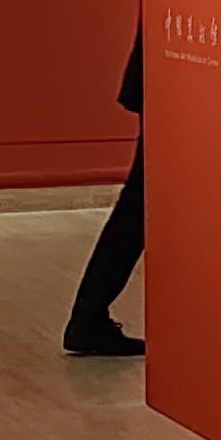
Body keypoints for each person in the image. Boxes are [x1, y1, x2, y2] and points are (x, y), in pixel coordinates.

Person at [64, 34, 144, 356]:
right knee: (135, 211)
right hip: (174, 85)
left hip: (168, 82)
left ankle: (88, 317)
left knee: (136, 210)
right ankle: (88, 317)